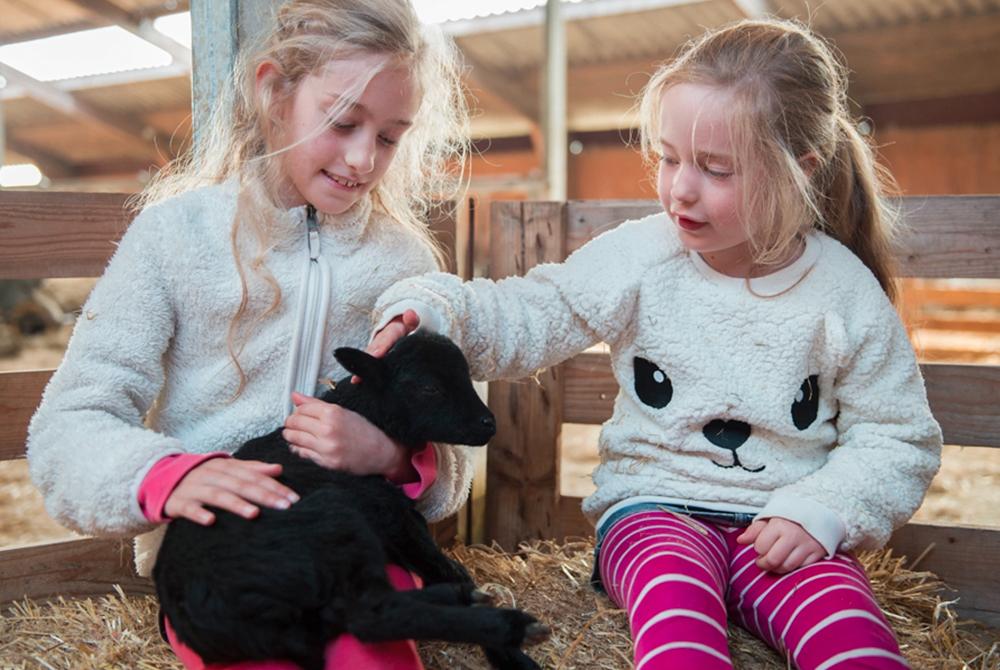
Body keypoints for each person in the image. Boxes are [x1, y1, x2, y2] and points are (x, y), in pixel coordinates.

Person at [370, 18, 942, 670]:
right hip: (654, 512)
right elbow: (532, 312)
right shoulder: (642, 258)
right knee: (678, 630)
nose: (680, 188)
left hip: (788, 526)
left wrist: (825, 512)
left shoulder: (841, 290)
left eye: (715, 169)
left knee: (856, 645)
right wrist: (433, 313)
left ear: (799, 171)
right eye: (669, 158)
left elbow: (899, 435)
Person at [27, 1, 472, 668]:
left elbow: (449, 436)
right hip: (219, 550)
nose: (362, 159)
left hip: (353, 537)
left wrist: (392, 456)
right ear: (274, 91)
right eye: (342, 121)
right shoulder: (175, 237)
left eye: (388, 137)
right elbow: (70, 421)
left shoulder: (402, 265)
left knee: (367, 652)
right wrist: (169, 475)